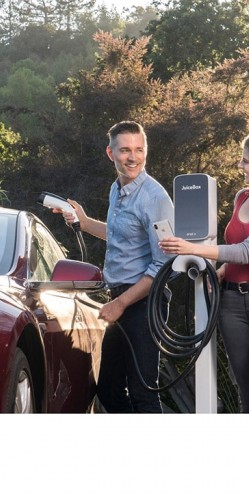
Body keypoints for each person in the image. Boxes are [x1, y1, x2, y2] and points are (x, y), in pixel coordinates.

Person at [159, 131, 249, 413]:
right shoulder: (242, 197)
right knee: (246, 395)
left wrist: (190, 248)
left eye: (246, 161)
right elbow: (237, 250)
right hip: (232, 304)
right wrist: (223, 270)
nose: (240, 166)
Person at [56, 121, 174, 413]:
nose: (132, 157)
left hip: (144, 303)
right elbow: (121, 234)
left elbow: (164, 264)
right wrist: (83, 222)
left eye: (138, 149)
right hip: (121, 301)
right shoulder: (117, 188)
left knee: (143, 392)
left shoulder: (155, 198)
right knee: (108, 389)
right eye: (125, 150)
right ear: (111, 153)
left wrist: (120, 304)